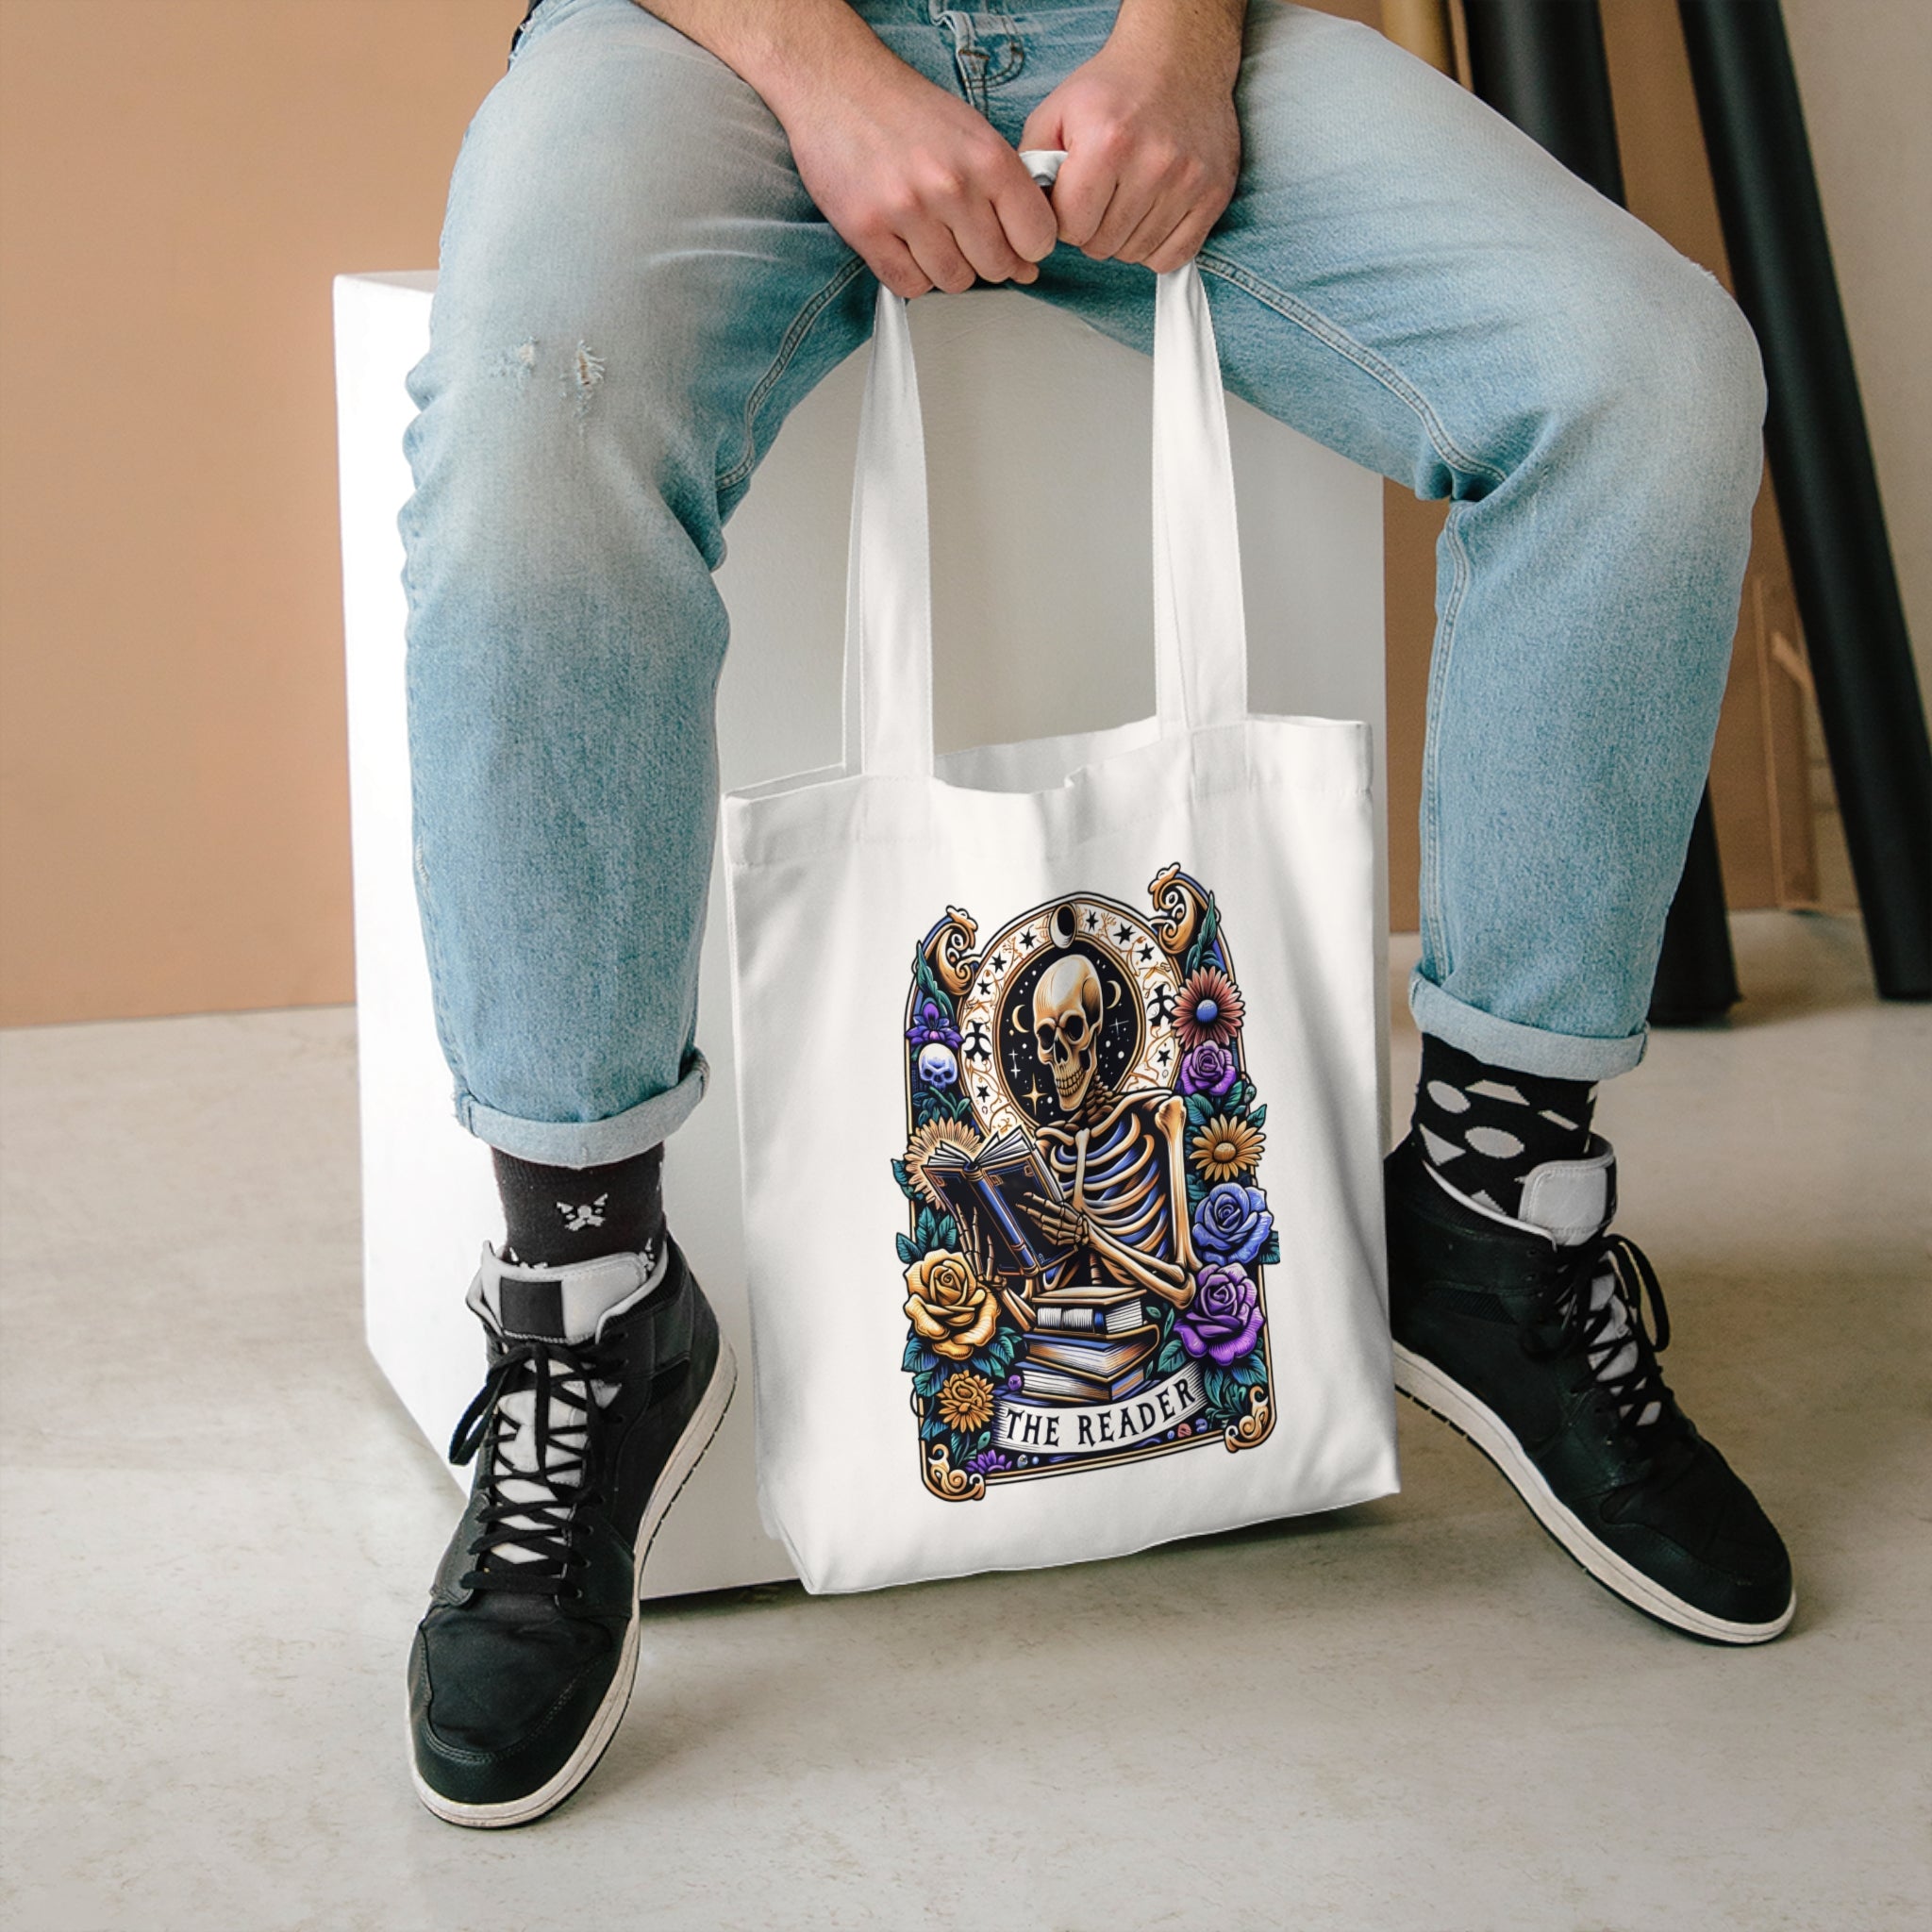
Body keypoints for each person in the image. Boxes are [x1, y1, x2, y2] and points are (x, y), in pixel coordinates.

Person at [397, 0, 1793, 1829]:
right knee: (525, 436)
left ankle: (1493, 1213)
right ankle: (586, 1303)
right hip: (705, 40)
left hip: (1126, 24)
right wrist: (826, 76)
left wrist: (1181, 44)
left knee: (1649, 371)